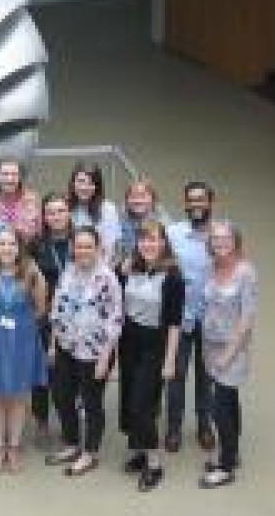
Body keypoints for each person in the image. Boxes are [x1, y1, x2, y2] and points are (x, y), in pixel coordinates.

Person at [46, 226, 122, 477]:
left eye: (88, 246)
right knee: (61, 396)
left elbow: (115, 319)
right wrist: (53, 344)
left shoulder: (108, 278)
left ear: (99, 248)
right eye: (78, 246)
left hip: (95, 352)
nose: (83, 251)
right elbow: (57, 308)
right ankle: (71, 443)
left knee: (92, 403)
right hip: (66, 346)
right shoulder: (68, 272)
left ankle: (89, 453)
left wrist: (105, 359)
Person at [0, 228, 48, 473]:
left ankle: (13, 447)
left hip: (22, 339)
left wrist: (21, 323)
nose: (7, 248)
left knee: (18, 395)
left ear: (19, 247)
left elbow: (40, 307)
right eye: (2, 243)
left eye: (11, 243)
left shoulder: (32, 271)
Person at [117, 219, 184, 492]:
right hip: (129, 340)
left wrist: (169, 360)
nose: (148, 244)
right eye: (143, 239)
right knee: (129, 398)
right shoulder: (130, 268)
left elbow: (174, 323)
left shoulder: (173, 276)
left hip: (154, 343)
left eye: (154, 239)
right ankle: (140, 451)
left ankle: (154, 464)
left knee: (143, 404)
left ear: (164, 243)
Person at [199, 221, 256, 489]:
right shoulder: (211, 267)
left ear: (236, 242)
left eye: (225, 239)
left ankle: (225, 466)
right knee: (230, 400)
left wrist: (229, 354)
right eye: (215, 239)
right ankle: (232, 453)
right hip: (210, 344)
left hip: (233, 349)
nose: (219, 244)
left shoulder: (246, 273)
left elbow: (246, 320)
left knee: (219, 406)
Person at [165, 181, 216, 453]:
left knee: (206, 376)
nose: (196, 205)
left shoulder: (221, 234)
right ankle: (173, 428)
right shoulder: (173, 233)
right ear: (185, 204)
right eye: (191, 200)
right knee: (176, 375)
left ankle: (204, 425)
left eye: (201, 200)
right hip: (180, 319)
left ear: (211, 203)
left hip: (211, 320)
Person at [28, 192, 72, 443]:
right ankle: (42, 420)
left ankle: (69, 421)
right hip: (44, 316)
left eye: (61, 211)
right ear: (44, 217)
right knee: (43, 370)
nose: (56, 217)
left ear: (68, 214)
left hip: (76, 316)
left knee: (68, 375)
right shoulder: (36, 245)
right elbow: (29, 280)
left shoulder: (81, 241)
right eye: (51, 212)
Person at [67, 162, 120, 262]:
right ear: (73, 183)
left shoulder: (108, 209)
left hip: (101, 267)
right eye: (81, 181)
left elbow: (111, 248)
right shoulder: (66, 208)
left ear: (97, 186)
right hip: (73, 266)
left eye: (90, 183)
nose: (84, 187)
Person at [114, 179, 168, 268]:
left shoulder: (164, 224)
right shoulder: (119, 222)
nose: (138, 201)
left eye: (143, 196)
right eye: (133, 196)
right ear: (127, 201)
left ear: (153, 199)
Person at [0, 158, 41, 243]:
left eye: (14, 174)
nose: (10, 178)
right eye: (5, 174)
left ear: (20, 177)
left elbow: (40, 232)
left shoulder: (33, 200)